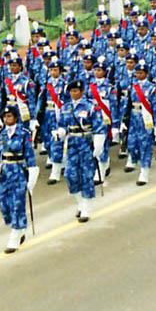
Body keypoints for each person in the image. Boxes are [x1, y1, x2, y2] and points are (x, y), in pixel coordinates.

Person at [53, 79, 106, 222]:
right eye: (71, 91)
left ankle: (86, 208)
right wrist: (60, 133)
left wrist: (98, 145)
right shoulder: (66, 107)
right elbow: (63, 125)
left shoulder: (90, 106)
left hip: (86, 143)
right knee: (70, 175)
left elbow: (99, 127)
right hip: (72, 145)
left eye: (76, 91)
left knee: (86, 176)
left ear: (82, 91)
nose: (73, 93)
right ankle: (80, 202)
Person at [0, 105, 38, 253]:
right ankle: (18, 226)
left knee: (17, 205)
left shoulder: (23, 134)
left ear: (16, 117)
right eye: (5, 117)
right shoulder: (0, 135)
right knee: (3, 204)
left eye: (9, 116)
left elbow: (30, 156)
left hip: (18, 171)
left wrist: (32, 176)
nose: (7, 119)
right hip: (4, 173)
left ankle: (15, 237)